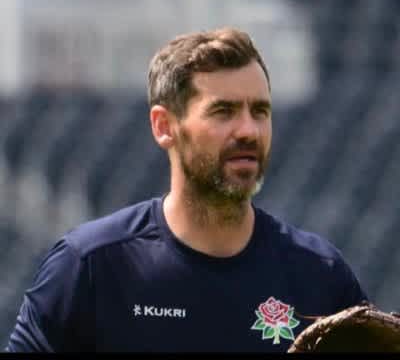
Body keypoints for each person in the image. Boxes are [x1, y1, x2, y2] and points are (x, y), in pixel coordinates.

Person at [6, 27, 368, 353]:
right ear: (164, 126)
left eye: (260, 111)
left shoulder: (320, 275)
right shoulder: (90, 268)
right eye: (223, 111)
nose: (248, 131)